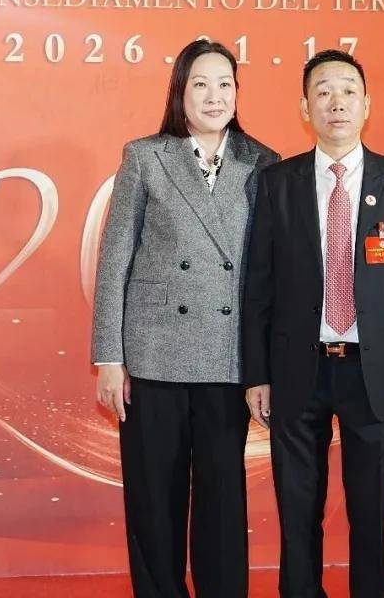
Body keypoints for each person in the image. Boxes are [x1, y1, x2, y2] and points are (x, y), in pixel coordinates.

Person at [242, 49, 384, 598]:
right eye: (323, 92)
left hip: (375, 371)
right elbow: (258, 286)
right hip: (295, 369)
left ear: (367, 104)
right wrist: (257, 373)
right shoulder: (276, 182)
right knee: (298, 510)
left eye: (349, 91)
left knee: (373, 513)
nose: (337, 103)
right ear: (305, 108)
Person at [91, 38, 280, 598]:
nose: (214, 96)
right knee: (154, 498)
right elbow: (115, 260)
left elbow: (270, 274)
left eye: (225, 84)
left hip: (227, 356)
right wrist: (109, 358)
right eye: (201, 84)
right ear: (180, 92)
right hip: (153, 355)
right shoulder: (145, 156)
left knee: (222, 501)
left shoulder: (263, 162)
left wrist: (266, 364)